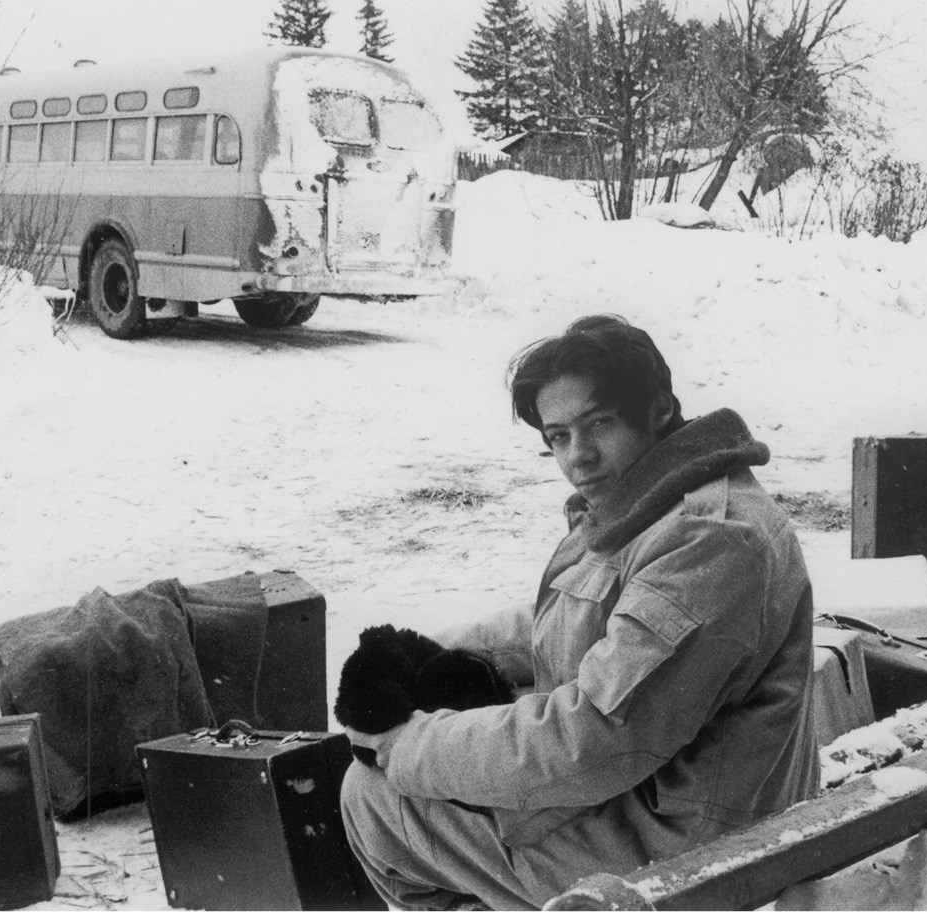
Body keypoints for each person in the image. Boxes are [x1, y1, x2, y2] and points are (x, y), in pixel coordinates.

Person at [341, 314, 819, 910]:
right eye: (559, 436)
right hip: (671, 799)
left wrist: (405, 744)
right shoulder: (652, 503)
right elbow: (580, 613)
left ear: (658, 409)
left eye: (599, 424)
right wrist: (431, 653)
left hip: (691, 842)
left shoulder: (709, 537)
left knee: (374, 798)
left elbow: (593, 740)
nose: (579, 456)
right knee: (418, 775)